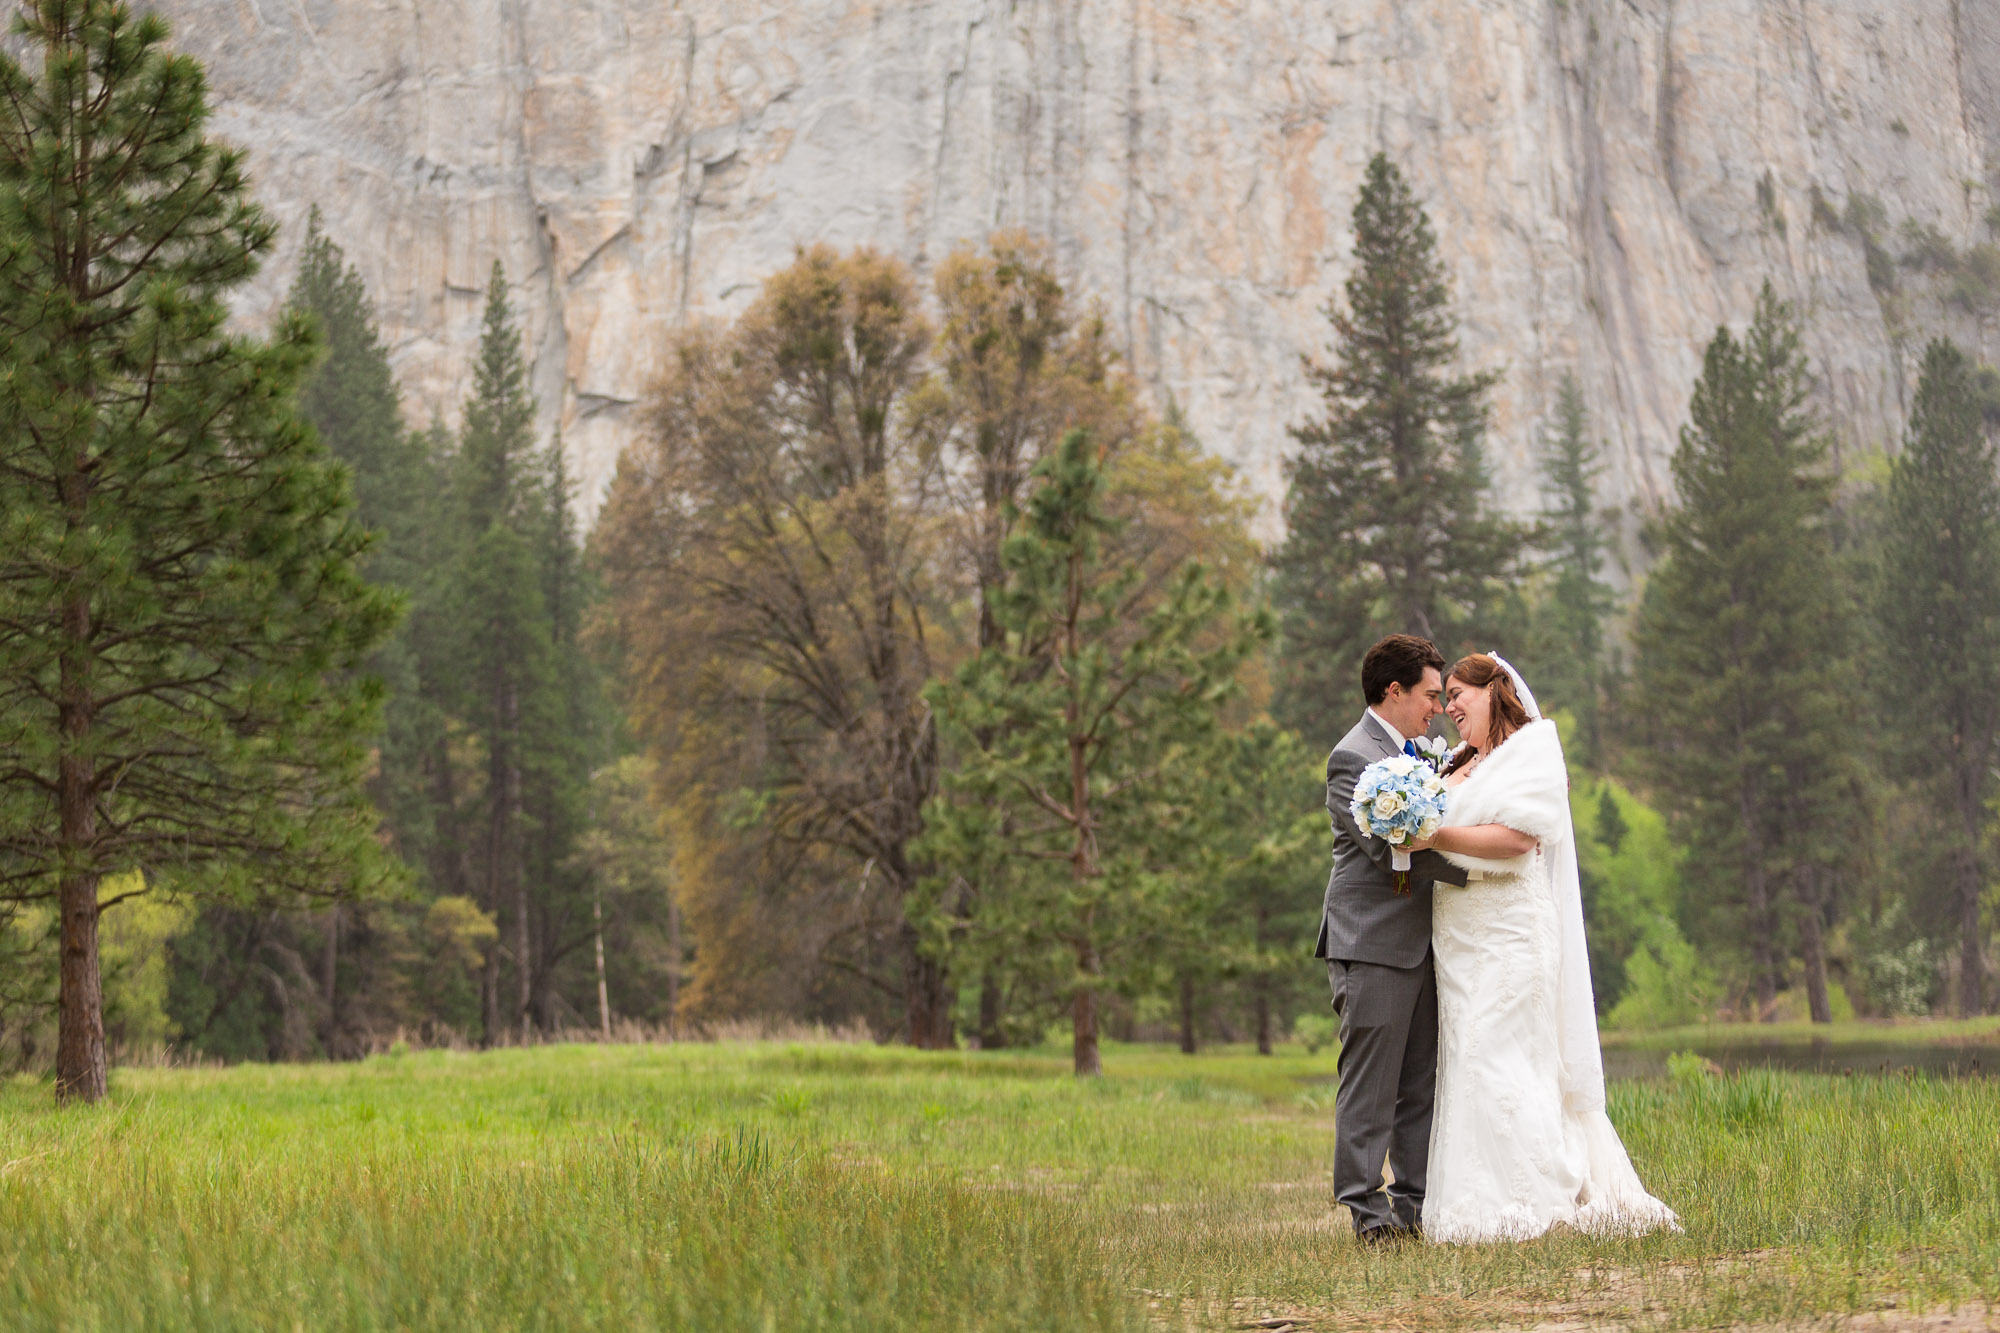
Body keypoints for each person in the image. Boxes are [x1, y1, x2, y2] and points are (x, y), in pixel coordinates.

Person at [1405, 652, 1679, 1243]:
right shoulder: (1457, 764)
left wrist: (1435, 835)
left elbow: (1520, 839)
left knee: (1507, 1058)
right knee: (1467, 1059)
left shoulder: (1531, 751)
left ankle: (1539, 1195)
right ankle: (1473, 1202)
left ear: (1494, 689)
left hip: (1510, 935)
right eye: (1445, 696)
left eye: (1459, 693)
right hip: (1458, 938)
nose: (1449, 706)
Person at [1314, 634, 1468, 1243]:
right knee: (1370, 1087)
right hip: (1371, 943)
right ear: (1394, 690)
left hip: (1423, 944)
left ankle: (1413, 1206)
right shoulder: (1351, 758)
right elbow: (1387, 852)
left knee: (1418, 1084)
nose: (1437, 708)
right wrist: (1480, 872)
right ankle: (1367, 1213)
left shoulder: (1417, 754)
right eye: (1431, 694)